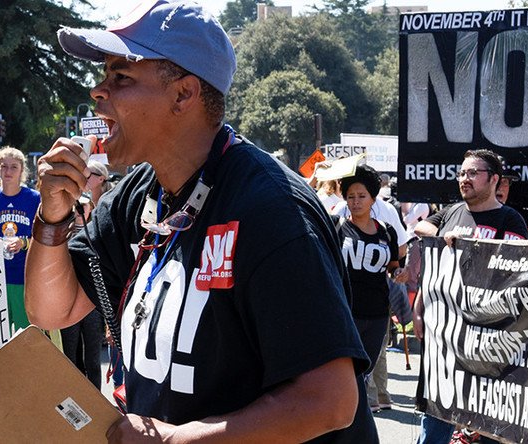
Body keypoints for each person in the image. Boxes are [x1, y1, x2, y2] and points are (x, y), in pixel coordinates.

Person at [25, 1, 377, 441]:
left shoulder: (273, 210)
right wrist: (52, 217)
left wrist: (174, 439)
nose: (98, 91)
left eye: (121, 77)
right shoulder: (137, 194)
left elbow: (330, 401)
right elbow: (51, 310)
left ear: (184, 94)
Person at [413, 149, 528, 444]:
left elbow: (519, 275)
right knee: (436, 419)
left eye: (473, 173)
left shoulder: (509, 219)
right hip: (445, 338)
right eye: (462, 173)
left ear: (494, 180)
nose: (465, 179)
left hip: (486, 339)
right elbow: (421, 227)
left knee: (487, 422)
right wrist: (419, 308)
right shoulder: (451, 212)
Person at [334, 165, 399, 413]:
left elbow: (393, 265)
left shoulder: (387, 232)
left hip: (377, 314)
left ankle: (356, 418)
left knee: (365, 372)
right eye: (350, 196)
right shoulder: (337, 227)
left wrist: (398, 273)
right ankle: (344, 420)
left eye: (361, 196)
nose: (355, 201)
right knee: (343, 373)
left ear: (373, 198)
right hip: (345, 312)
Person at [0, 147, 40, 333]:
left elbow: (43, 238)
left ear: (22, 171)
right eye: (4, 166)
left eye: (14, 167)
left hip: (24, 276)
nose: (8, 171)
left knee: (24, 335)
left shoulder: (34, 199)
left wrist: (24, 242)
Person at [61, 160, 111, 389]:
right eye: (77, 204)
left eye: (85, 204)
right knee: (70, 359)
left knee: (93, 359)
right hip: (68, 302)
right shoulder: (63, 231)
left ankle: (96, 400)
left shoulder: (99, 229)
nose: (81, 208)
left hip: (92, 304)